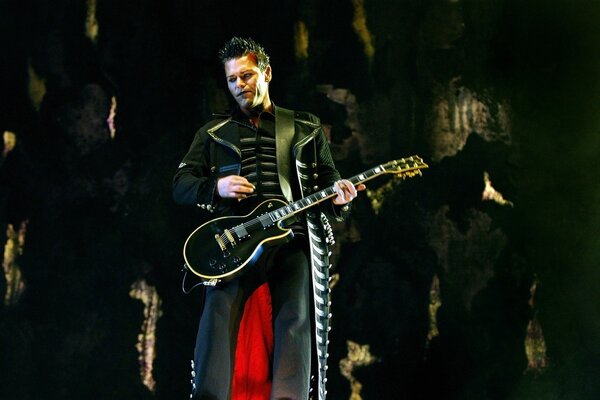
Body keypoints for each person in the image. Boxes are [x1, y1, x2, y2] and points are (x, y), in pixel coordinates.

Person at [173, 37, 364, 400]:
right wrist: (217, 186)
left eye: (247, 75)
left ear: (267, 72)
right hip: (236, 241)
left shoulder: (306, 127)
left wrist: (341, 199)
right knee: (216, 319)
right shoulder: (213, 133)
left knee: (294, 321)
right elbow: (180, 185)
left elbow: (328, 185)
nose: (240, 85)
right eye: (232, 80)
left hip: (290, 239)